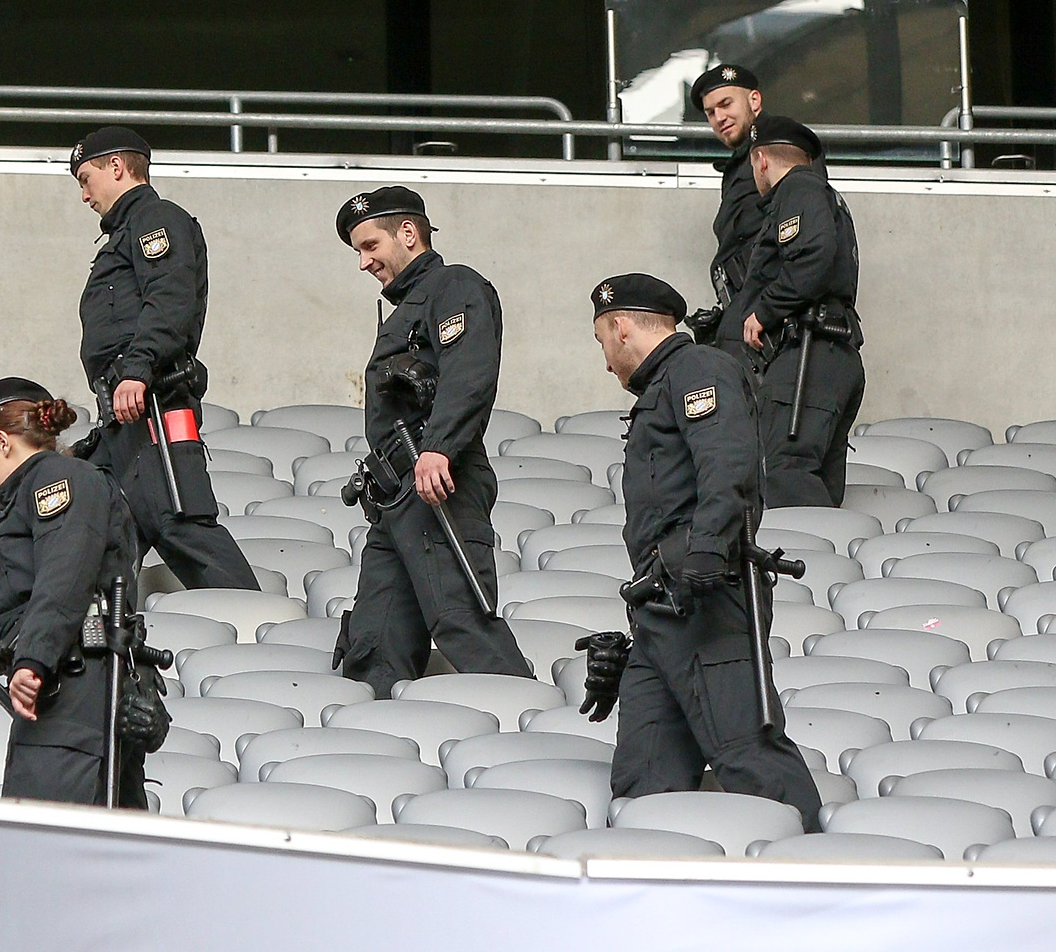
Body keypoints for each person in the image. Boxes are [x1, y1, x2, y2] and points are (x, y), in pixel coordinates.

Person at [579, 273, 820, 832]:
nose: (606, 362)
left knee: (751, 759)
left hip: (704, 601)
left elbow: (728, 462)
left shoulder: (696, 369)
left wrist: (704, 556)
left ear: (619, 327)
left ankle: (810, 873)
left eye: (602, 345)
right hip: (664, 612)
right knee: (644, 777)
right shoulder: (668, 384)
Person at [331, 185, 532, 698]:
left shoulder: (453, 287)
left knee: (461, 620)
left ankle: (531, 723)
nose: (363, 262)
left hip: (437, 479)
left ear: (408, 233)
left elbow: (469, 372)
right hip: (396, 494)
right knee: (374, 643)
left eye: (370, 246)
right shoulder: (406, 310)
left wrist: (440, 446)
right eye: (358, 251)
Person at [0, 377, 167, 806]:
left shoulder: (58, 479)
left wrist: (32, 659)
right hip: (67, 689)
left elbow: (65, 573)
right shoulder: (50, 484)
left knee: (40, 853)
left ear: (2, 441)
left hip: (68, 693)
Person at [68, 126, 260, 591]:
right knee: (101, 539)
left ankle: (253, 627)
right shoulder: (125, 235)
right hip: (122, 415)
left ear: (117, 167)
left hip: (150, 402)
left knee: (179, 522)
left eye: (85, 178)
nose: (84, 195)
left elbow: (169, 302)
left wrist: (137, 370)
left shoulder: (157, 220)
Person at [735, 116, 865, 508]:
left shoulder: (799, 189)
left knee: (782, 470)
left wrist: (764, 311)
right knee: (813, 479)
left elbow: (811, 256)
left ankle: (812, 567)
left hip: (809, 352)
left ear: (760, 159)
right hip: (829, 352)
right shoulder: (821, 194)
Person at [684, 63, 767, 376]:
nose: (719, 118)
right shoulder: (738, 163)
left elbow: (800, 235)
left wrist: (769, 308)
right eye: (710, 112)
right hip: (744, 306)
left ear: (754, 101)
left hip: (763, 311)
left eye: (726, 104)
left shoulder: (778, 145)